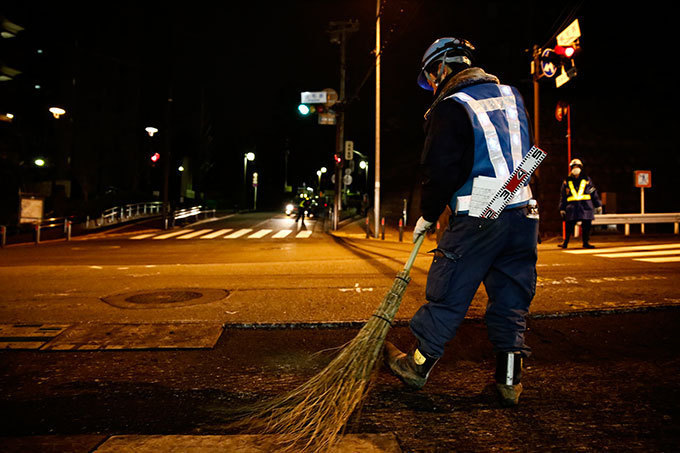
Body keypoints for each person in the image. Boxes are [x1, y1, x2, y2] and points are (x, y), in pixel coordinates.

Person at [384, 37, 539, 407]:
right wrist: (511, 199)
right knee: (512, 296)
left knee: (449, 290)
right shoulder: (514, 95)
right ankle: (508, 382)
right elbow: (529, 152)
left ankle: (417, 366)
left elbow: (440, 170)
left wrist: (427, 214)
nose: (432, 87)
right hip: (524, 211)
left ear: (442, 68)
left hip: (479, 214)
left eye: (431, 78)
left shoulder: (452, 105)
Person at [558, 159, 602, 249]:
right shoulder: (567, 181)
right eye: (573, 167)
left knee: (586, 226)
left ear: (581, 168)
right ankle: (565, 242)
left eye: (577, 167)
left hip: (586, 206)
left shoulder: (587, 180)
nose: (575, 168)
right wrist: (562, 208)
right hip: (572, 207)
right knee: (569, 226)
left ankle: (586, 243)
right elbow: (563, 196)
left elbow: (593, 193)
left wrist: (598, 204)